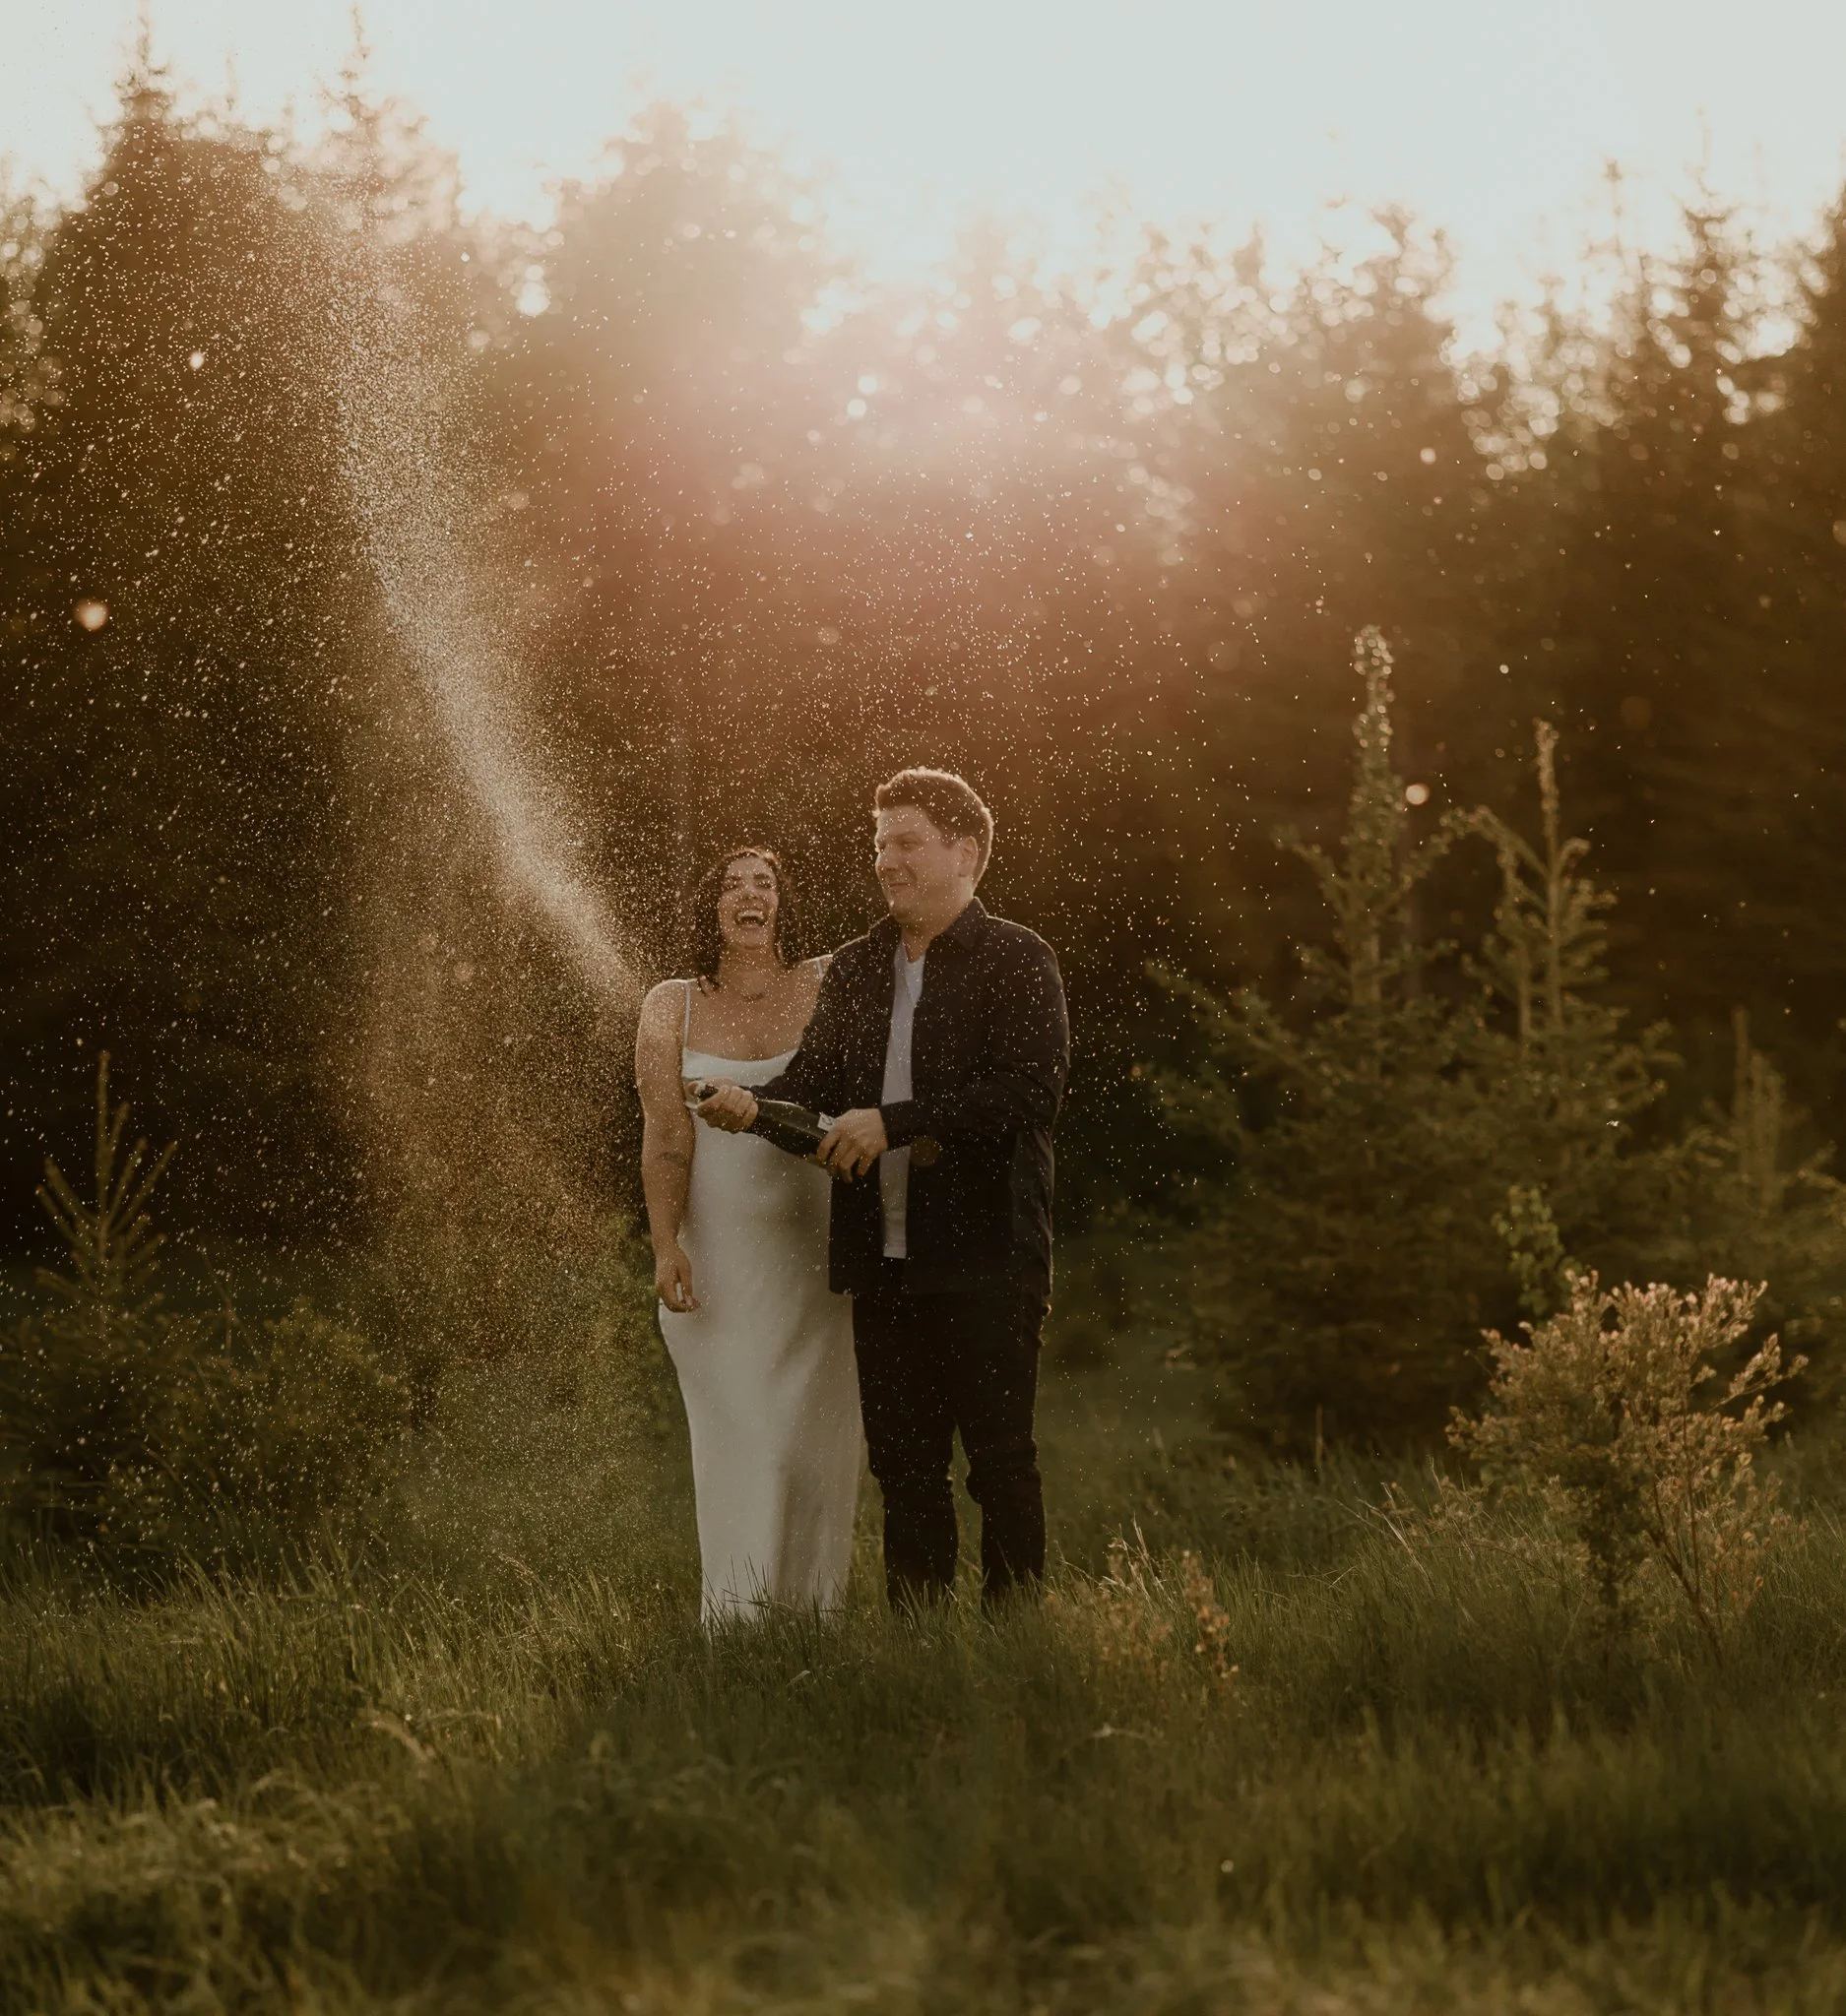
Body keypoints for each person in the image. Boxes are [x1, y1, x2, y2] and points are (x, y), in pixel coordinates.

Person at [697, 771, 1069, 1607]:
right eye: (878, 844)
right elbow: (815, 1081)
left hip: (988, 1256)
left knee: (1000, 1462)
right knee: (905, 1471)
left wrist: (892, 1123)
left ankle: (1014, 1641)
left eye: (905, 842)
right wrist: (752, 1108)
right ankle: (922, 1647)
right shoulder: (860, 966)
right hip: (882, 1262)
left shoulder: (1018, 957)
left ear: (963, 853)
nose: (885, 860)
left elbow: (1028, 1095)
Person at [634, 847, 861, 1624]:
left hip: (818, 1256)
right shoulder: (671, 1004)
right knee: (744, 1437)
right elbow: (665, 1136)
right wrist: (667, 1246)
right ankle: (737, 1620)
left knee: (813, 1442)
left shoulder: (828, 982)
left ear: (782, 904)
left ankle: (813, 1616)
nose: (749, 894)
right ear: (712, 909)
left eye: (764, 883)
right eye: (731, 885)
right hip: (722, 1266)